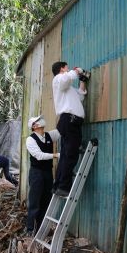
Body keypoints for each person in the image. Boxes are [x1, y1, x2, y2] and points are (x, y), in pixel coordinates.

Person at [51, 61, 87, 197]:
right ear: (62, 68)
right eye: (66, 67)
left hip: (70, 122)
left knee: (66, 155)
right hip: (69, 121)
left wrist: (83, 81)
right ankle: (64, 187)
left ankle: (58, 186)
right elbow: (66, 79)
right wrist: (77, 71)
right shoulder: (59, 79)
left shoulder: (67, 89)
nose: (68, 69)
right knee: (71, 155)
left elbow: (80, 97)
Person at [25, 115, 60, 235]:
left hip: (47, 173)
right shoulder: (30, 139)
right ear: (34, 126)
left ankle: (41, 229)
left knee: (46, 200)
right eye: (38, 120)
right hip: (36, 173)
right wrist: (55, 155)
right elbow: (39, 156)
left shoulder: (49, 135)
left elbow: (61, 131)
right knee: (35, 201)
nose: (41, 121)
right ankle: (30, 229)